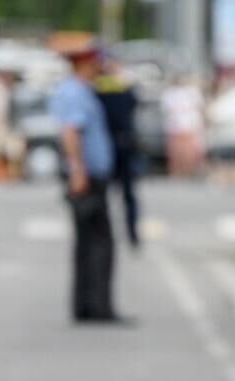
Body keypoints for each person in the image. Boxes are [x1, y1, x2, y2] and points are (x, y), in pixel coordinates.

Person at [50, 43, 124, 324]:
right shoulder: (75, 92)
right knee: (98, 242)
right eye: (95, 64)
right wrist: (79, 171)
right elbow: (71, 133)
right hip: (88, 177)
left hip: (90, 175)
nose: (98, 69)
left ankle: (88, 305)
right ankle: (98, 306)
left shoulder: (80, 91)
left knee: (88, 242)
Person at [96, 59, 142, 250]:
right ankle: (132, 234)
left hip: (108, 145)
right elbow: (134, 105)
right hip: (124, 144)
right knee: (128, 195)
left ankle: (104, 233)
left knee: (103, 195)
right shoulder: (125, 88)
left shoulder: (99, 89)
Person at [160, 76, 205, 176]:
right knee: (176, 149)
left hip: (188, 125)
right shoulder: (170, 93)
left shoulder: (192, 92)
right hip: (177, 125)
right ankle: (177, 170)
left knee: (188, 149)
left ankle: (189, 169)